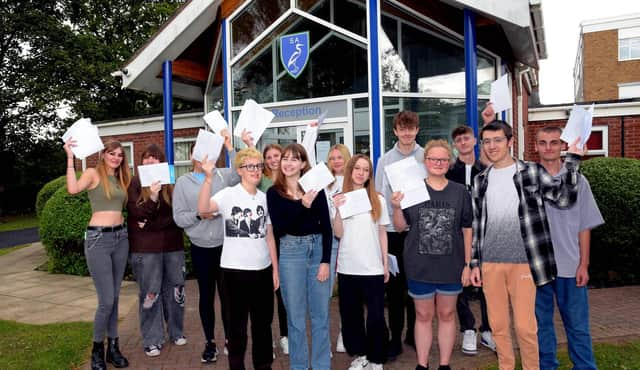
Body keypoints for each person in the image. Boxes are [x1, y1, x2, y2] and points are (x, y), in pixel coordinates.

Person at [469, 120, 586, 370]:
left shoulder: (532, 172)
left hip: (524, 264)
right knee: (498, 327)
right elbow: (478, 224)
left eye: (498, 140)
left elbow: (564, 197)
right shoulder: (480, 180)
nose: (492, 146)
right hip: (490, 264)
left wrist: (573, 160)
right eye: (487, 141)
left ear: (510, 142)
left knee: (526, 327)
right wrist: (475, 262)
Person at [391, 140, 472, 370]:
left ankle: (444, 365)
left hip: (451, 265)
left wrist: (467, 264)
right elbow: (399, 227)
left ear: (450, 162)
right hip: (419, 265)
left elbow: (467, 229)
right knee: (423, 316)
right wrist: (397, 207)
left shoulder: (460, 192)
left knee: (447, 314)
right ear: (425, 162)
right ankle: (422, 364)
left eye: (443, 159)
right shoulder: (412, 189)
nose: (438, 163)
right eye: (433, 159)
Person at [198, 148, 279, 370]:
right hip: (233, 272)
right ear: (240, 170)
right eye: (250, 166)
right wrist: (207, 179)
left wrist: (275, 270)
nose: (255, 170)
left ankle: (263, 365)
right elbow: (204, 209)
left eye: (258, 166)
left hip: (262, 271)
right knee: (237, 328)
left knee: (263, 326)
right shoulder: (228, 194)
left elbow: (269, 235)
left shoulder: (265, 198)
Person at [534, 126, 604, 370]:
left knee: (577, 325)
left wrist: (583, 264)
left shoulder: (579, 181)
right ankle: (546, 367)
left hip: (570, 265)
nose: (548, 148)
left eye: (554, 142)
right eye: (543, 143)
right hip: (538, 267)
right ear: (536, 146)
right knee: (540, 326)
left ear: (563, 147)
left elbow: (585, 226)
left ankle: (585, 367)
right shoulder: (528, 180)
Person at [63, 139, 131, 370]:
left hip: (121, 238)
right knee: (106, 301)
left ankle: (113, 347)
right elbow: (72, 189)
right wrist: (70, 157)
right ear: (104, 155)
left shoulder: (122, 178)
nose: (116, 158)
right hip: (98, 240)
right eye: (112, 153)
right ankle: (96, 351)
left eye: (120, 155)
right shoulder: (93, 173)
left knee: (115, 298)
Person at [172, 134, 239, 363]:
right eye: (200, 153)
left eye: (210, 153)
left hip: (225, 246)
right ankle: (210, 342)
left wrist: (231, 148)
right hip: (201, 248)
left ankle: (230, 339)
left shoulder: (223, 176)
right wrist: (199, 215)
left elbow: (242, 172)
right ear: (193, 156)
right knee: (206, 297)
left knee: (228, 297)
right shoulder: (183, 183)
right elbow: (179, 218)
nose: (205, 158)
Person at [267, 143, 333, 370]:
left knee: (320, 316)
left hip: (317, 253)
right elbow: (281, 228)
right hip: (290, 254)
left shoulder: (316, 188)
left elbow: (327, 227)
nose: (288, 163)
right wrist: (302, 206)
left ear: (303, 164)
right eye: (285, 158)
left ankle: (322, 365)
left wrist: (325, 261)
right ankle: (299, 366)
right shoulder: (274, 193)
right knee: (295, 318)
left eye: (294, 159)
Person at [126, 144, 186, 357]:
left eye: (155, 158)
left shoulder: (171, 183)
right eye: (146, 158)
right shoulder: (134, 183)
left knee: (176, 291)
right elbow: (136, 212)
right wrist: (152, 197)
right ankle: (152, 339)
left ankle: (176, 331)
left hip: (173, 247)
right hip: (146, 250)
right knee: (150, 294)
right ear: (141, 163)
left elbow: (177, 217)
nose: (150, 162)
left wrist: (150, 224)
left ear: (161, 162)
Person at [332, 154, 389, 370]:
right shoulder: (341, 198)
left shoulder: (378, 199)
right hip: (348, 268)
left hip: (372, 268)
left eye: (366, 170)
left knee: (375, 316)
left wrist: (384, 263)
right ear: (350, 170)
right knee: (351, 316)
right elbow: (338, 233)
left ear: (369, 175)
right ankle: (361, 354)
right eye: (357, 168)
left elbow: (382, 233)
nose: (361, 173)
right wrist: (337, 209)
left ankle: (376, 358)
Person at [374, 111, 420, 359]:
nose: (406, 133)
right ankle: (395, 337)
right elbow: (379, 195)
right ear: (395, 131)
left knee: (416, 286)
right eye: (402, 129)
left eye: (410, 128)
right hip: (393, 232)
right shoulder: (385, 160)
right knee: (393, 289)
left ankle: (414, 332)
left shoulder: (425, 157)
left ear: (416, 130)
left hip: (419, 232)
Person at [445, 125, 495, 355]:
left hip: (484, 233)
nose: (463, 143)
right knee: (460, 282)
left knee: (487, 283)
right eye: (458, 140)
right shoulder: (448, 172)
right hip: (456, 236)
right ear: (455, 145)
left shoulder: (486, 169)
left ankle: (488, 329)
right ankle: (468, 328)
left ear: (474, 141)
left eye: (466, 138)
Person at [326, 143, 352, 353]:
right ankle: (323, 336)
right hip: (329, 241)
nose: (336, 161)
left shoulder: (354, 181)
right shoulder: (325, 183)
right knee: (324, 292)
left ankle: (345, 332)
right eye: (332, 157)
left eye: (339, 157)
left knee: (347, 290)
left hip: (350, 240)